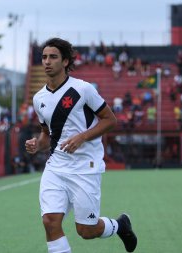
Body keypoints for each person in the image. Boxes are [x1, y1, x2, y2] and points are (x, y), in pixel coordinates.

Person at [25, 38, 137, 253]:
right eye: (44, 57)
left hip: (85, 167)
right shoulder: (38, 98)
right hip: (56, 166)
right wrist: (37, 145)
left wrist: (82, 137)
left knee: (86, 231)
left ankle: (120, 225)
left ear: (65, 61)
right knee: (50, 221)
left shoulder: (83, 89)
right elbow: (46, 135)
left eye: (53, 57)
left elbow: (110, 120)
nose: (47, 61)